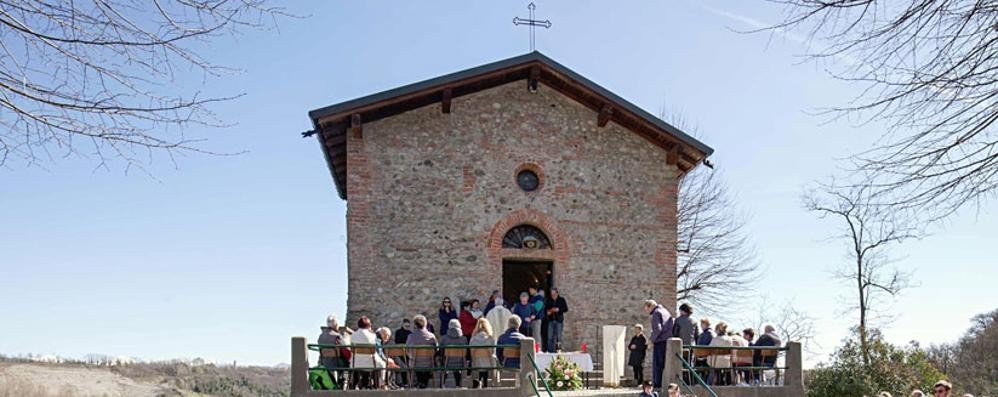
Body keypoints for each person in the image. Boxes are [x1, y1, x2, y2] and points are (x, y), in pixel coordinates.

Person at [645, 299, 675, 391]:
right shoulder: (665, 311)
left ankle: (657, 386)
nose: (647, 311)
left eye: (646, 309)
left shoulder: (656, 313)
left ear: (650, 306)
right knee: (663, 365)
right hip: (668, 341)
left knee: (657, 365)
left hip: (660, 341)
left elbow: (657, 329)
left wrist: (651, 340)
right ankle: (662, 385)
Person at [350, 316, 385, 389]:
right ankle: (381, 384)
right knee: (383, 364)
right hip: (370, 363)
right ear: (369, 325)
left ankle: (353, 385)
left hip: (355, 363)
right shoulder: (373, 335)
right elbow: (376, 349)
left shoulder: (353, 335)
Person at [405, 315, 438, 389]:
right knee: (426, 365)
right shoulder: (431, 336)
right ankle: (423, 383)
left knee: (415, 363)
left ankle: (421, 383)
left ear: (415, 325)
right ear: (425, 324)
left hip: (415, 363)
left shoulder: (411, 336)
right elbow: (437, 348)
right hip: (429, 362)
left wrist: (411, 356)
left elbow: (407, 349)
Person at [318, 315, 348, 385]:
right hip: (336, 363)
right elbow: (345, 347)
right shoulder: (337, 336)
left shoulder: (321, 337)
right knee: (347, 362)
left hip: (324, 362)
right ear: (336, 325)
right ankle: (342, 381)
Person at [469, 317, 497, 388]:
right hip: (488, 362)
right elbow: (492, 351)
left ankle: (476, 381)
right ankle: (488, 381)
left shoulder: (473, 339)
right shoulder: (490, 338)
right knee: (493, 358)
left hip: (476, 362)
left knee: (479, 362)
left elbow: (471, 350)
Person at [440, 318, 467, 388]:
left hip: (447, 362)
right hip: (460, 362)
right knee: (457, 368)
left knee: (443, 360)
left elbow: (441, 351)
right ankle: (458, 384)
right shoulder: (464, 339)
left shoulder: (444, 338)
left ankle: (442, 384)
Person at [545, 287, 569, 352]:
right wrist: (549, 312)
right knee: (550, 337)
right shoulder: (549, 300)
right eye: (552, 294)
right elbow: (546, 310)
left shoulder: (561, 300)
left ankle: (558, 351)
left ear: (557, 293)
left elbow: (566, 309)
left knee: (559, 337)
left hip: (559, 321)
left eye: (554, 294)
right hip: (551, 320)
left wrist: (558, 309)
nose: (553, 296)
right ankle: (550, 352)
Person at [392, 319, 411, 386]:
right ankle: (403, 382)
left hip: (406, 352)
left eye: (408, 325)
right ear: (402, 324)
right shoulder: (399, 332)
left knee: (404, 366)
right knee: (402, 366)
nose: (407, 327)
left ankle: (405, 382)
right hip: (400, 352)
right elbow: (397, 342)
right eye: (406, 325)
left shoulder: (409, 333)